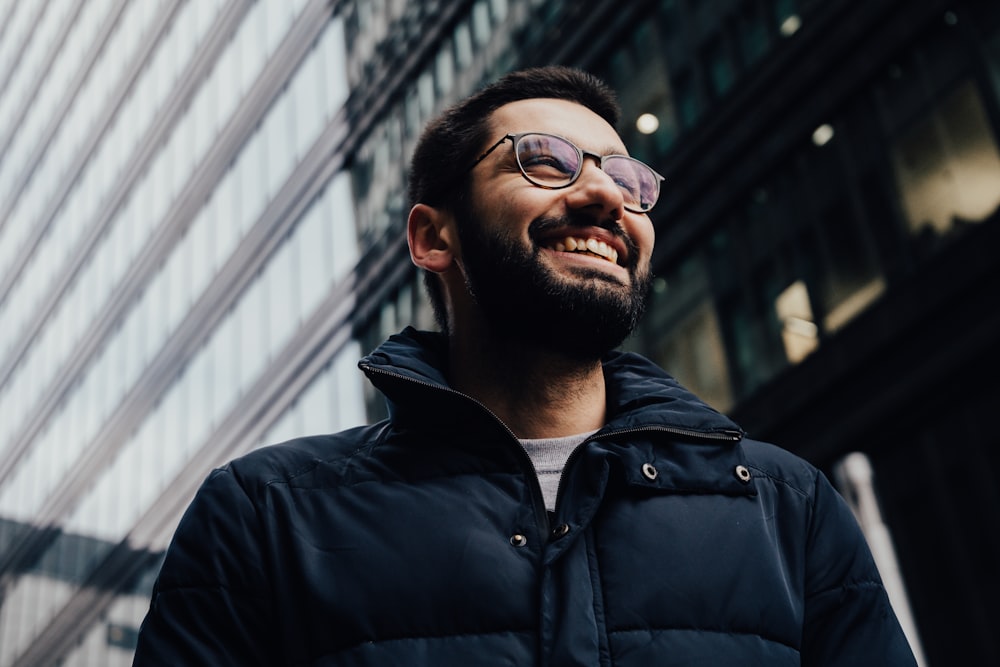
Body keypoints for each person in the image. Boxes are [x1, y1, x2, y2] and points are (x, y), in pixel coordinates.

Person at [133, 65, 917, 666]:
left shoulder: (789, 508)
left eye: (628, 177)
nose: (608, 195)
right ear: (434, 238)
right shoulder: (262, 516)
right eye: (547, 161)